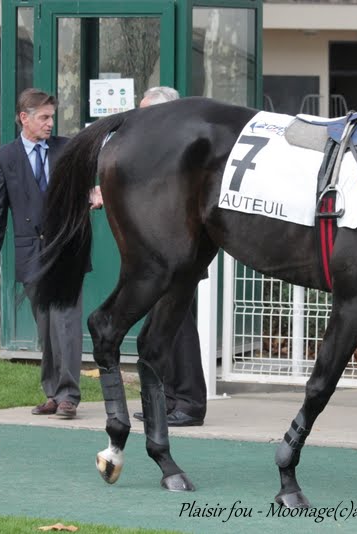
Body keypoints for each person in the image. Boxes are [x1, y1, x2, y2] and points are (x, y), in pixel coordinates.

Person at [0, 88, 100, 419]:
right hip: (30, 252)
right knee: (45, 325)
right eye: (44, 117)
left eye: (52, 117)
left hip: (66, 249)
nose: (50, 123)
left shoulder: (68, 149)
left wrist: (92, 193)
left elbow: (85, 185)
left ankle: (68, 397)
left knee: (66, 323)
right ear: (25, 118)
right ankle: (53, 392)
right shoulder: (4, 158)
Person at [129, 85, 207, 427]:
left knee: (180, 329)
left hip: (178, 255)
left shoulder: (182, 151)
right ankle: (169, 399)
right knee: (162, 327)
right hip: (160, 256)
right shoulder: (166, 148)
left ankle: (190, 403)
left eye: (147, 113)